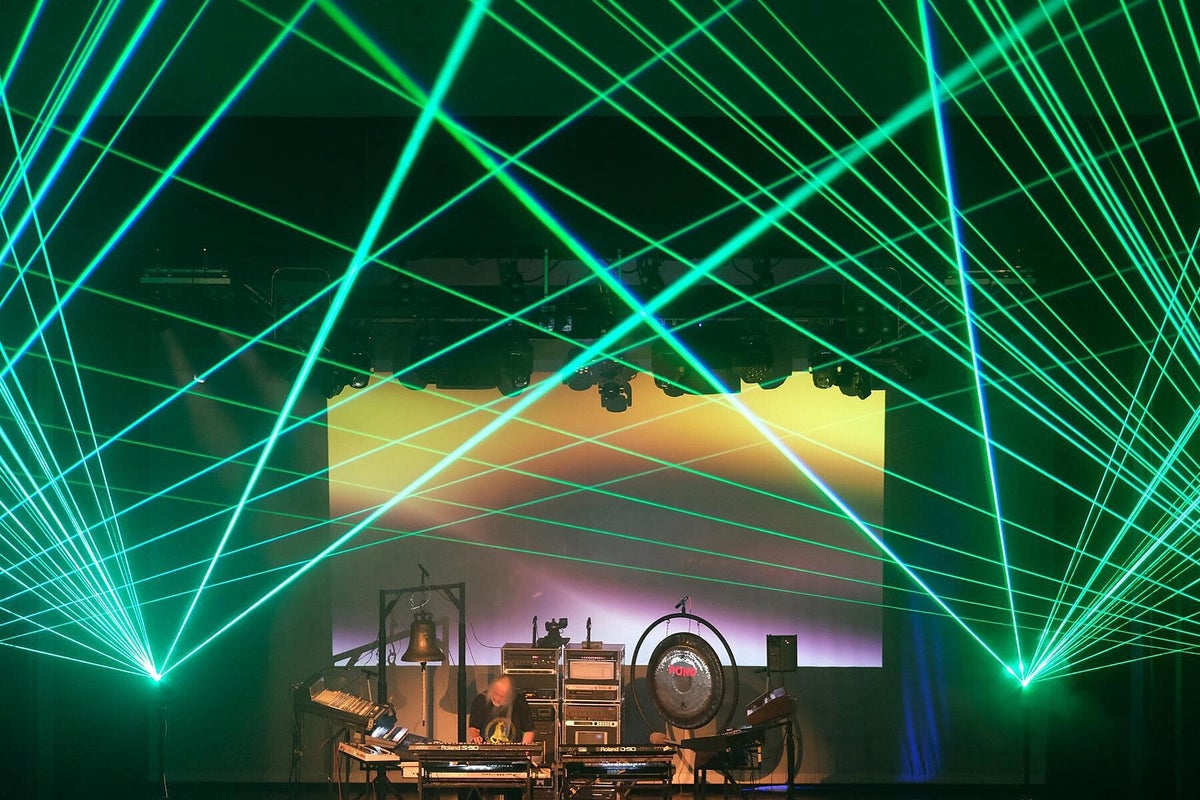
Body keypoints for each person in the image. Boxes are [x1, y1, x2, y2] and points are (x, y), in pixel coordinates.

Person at [467, 675, 536, 745]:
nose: (497, 699)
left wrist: (524, 747)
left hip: (513, 750)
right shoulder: (481, 700)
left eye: (502, 697)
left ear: (510, 697)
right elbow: (474, 728)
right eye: (495, 693)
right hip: (485, 749)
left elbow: (529, 731)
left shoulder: (519, 702)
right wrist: (476, 738)